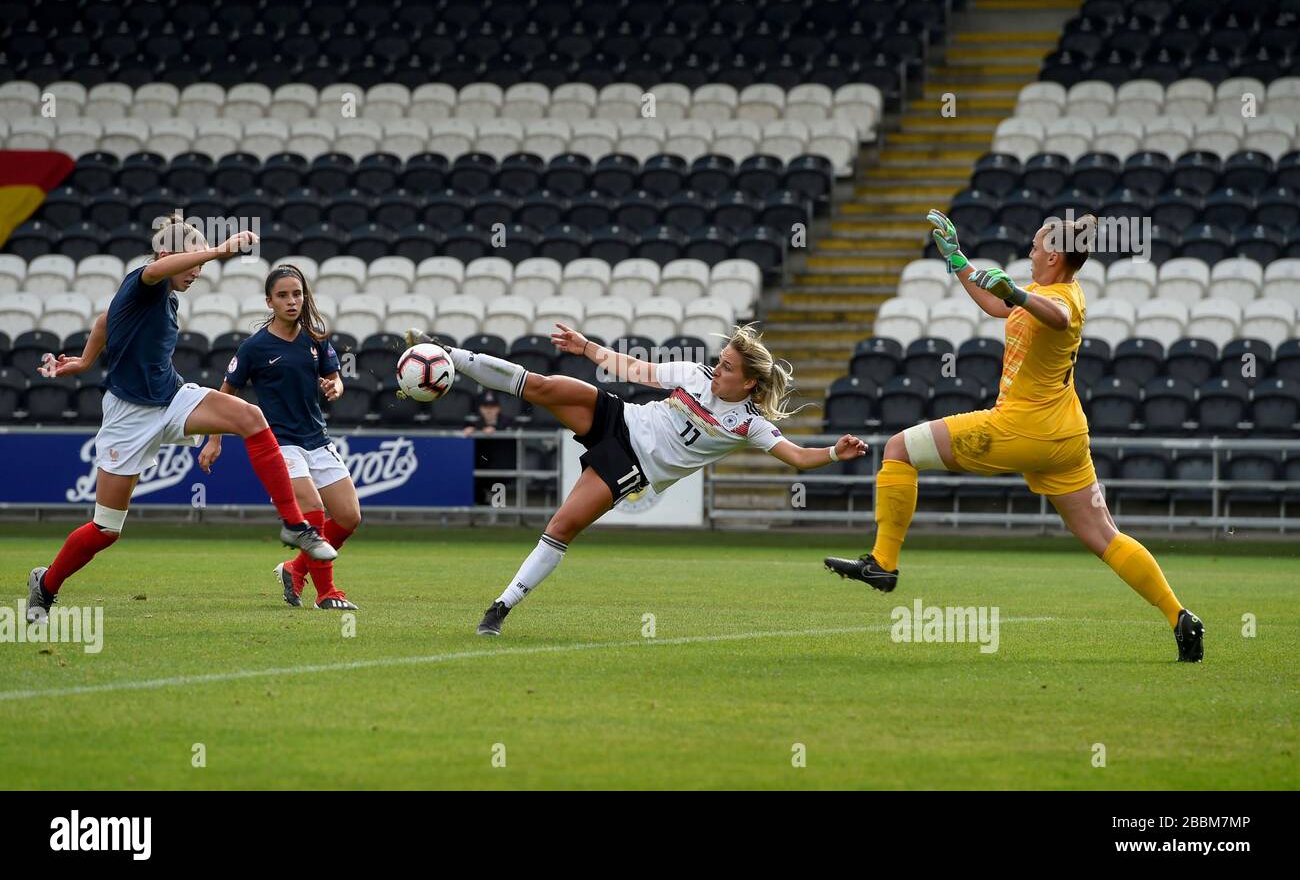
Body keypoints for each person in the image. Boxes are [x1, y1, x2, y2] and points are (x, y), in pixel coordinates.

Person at [823, 211, 1205, 662]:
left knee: (899, 449)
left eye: (1036, 244)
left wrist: (1017, 292)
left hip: (1022, 429)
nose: (1029, 250)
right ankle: (1180, 617)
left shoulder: (1063, 297)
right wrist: (957, 259)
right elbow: (996, 304)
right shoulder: (1042, 292)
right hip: (1065, 437)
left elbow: (1058, 318)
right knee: (1105, 536)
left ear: (1054, 255)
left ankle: (883, 563)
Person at [404, 322, 868, 636]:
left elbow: (798, 458)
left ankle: (498, 609)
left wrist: (833, 452)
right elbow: (636, 370)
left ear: (748, 383)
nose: (718, 368)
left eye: (727, 366)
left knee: (560, 528)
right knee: (542, 385)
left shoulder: (749, 424)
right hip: (617, 417)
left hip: (629, 466)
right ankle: (447, 354)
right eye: (721, 359)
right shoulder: (694, 375)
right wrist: (587, 348)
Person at [27, 216, 336, 624]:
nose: (197, 272)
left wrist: (85, 360)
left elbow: (104, 321)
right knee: (105, 529)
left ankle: (294, 524)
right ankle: (45, 587)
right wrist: (222, 250)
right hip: (128, 417)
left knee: (251, 417)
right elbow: (153, 272)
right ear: (167, 255)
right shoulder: (145, 278)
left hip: (171, 398)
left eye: (201, 266)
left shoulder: (167, 298)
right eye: (191, 263)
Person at [198, 265, 359, 610]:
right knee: (313, 508)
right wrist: (215, 440)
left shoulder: (315, 339)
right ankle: (327, 593)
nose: (292, 301)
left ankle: (294, 569)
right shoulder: (254, 347)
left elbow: (335, 377)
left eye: (297, 294)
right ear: (268, 301)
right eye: (283, 295)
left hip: (317, 439)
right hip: (279, 444)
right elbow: (225, 395)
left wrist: (335, 386)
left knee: (349, 517)